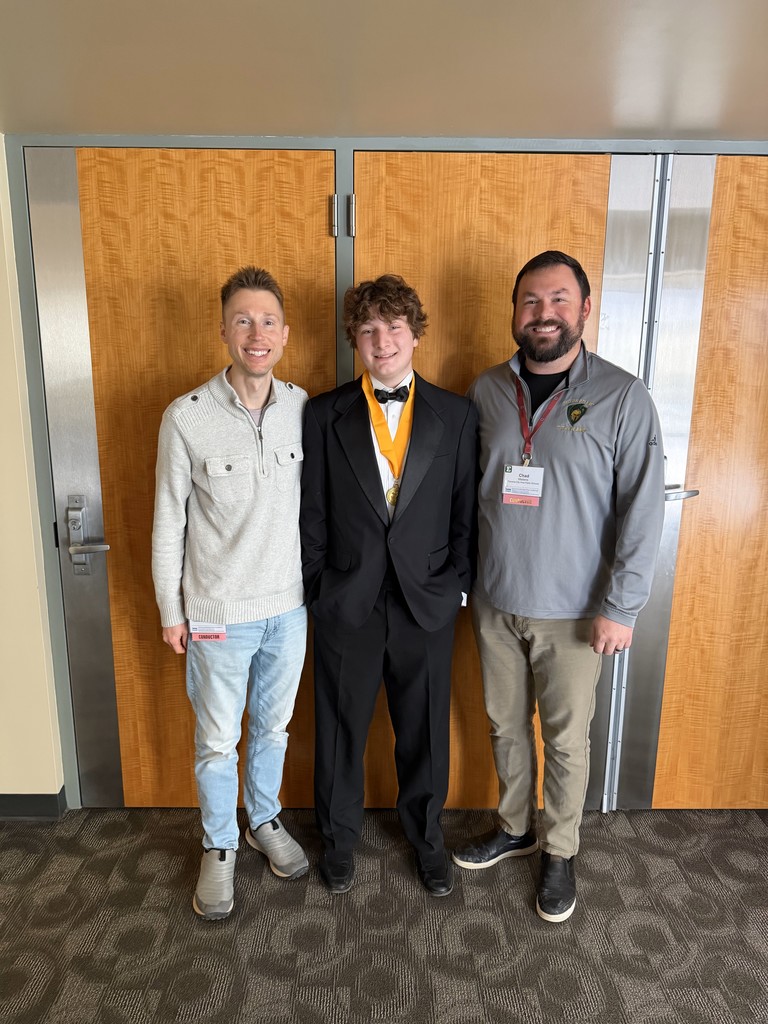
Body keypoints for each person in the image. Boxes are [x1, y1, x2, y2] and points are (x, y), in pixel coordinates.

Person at [453, 250, 664, 923]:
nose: (543, 314)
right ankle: (515, 828)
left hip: (577, 612)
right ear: (516, 312)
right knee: (504, 725)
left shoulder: (622, 396)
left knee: (567, 740)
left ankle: (561, 850)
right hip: (494, 601)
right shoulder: (485, 391)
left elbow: (643, 506)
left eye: (558, 301)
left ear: (584, 309)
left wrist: (622, 605)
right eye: (531, 302)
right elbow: (466, 496)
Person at [300, 274, 477, 897]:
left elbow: (465, 512)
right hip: (347, 601)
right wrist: (319, 587)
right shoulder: (323, 414)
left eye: (393, 327)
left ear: (416, 334)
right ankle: (339, 841)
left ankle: (428, 842)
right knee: (340, 731)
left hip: (426, 601)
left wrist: (456, 584)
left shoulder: (456, 414)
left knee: (425, 732)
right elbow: (313, 515)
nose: (382, 341)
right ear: (355, 338)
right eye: (368, 329)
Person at [152, 266, 309, 920]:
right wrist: (171, 611)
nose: (256, 332)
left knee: (273, 728)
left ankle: (264, 819)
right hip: (217, 616)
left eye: (267, 320)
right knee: (218, 741)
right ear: (223, 330)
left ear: (284, 333)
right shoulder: (185, 417)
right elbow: (169, 520)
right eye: (243, 319)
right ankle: (219, 845)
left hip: (289, 610)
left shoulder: (305, 408)